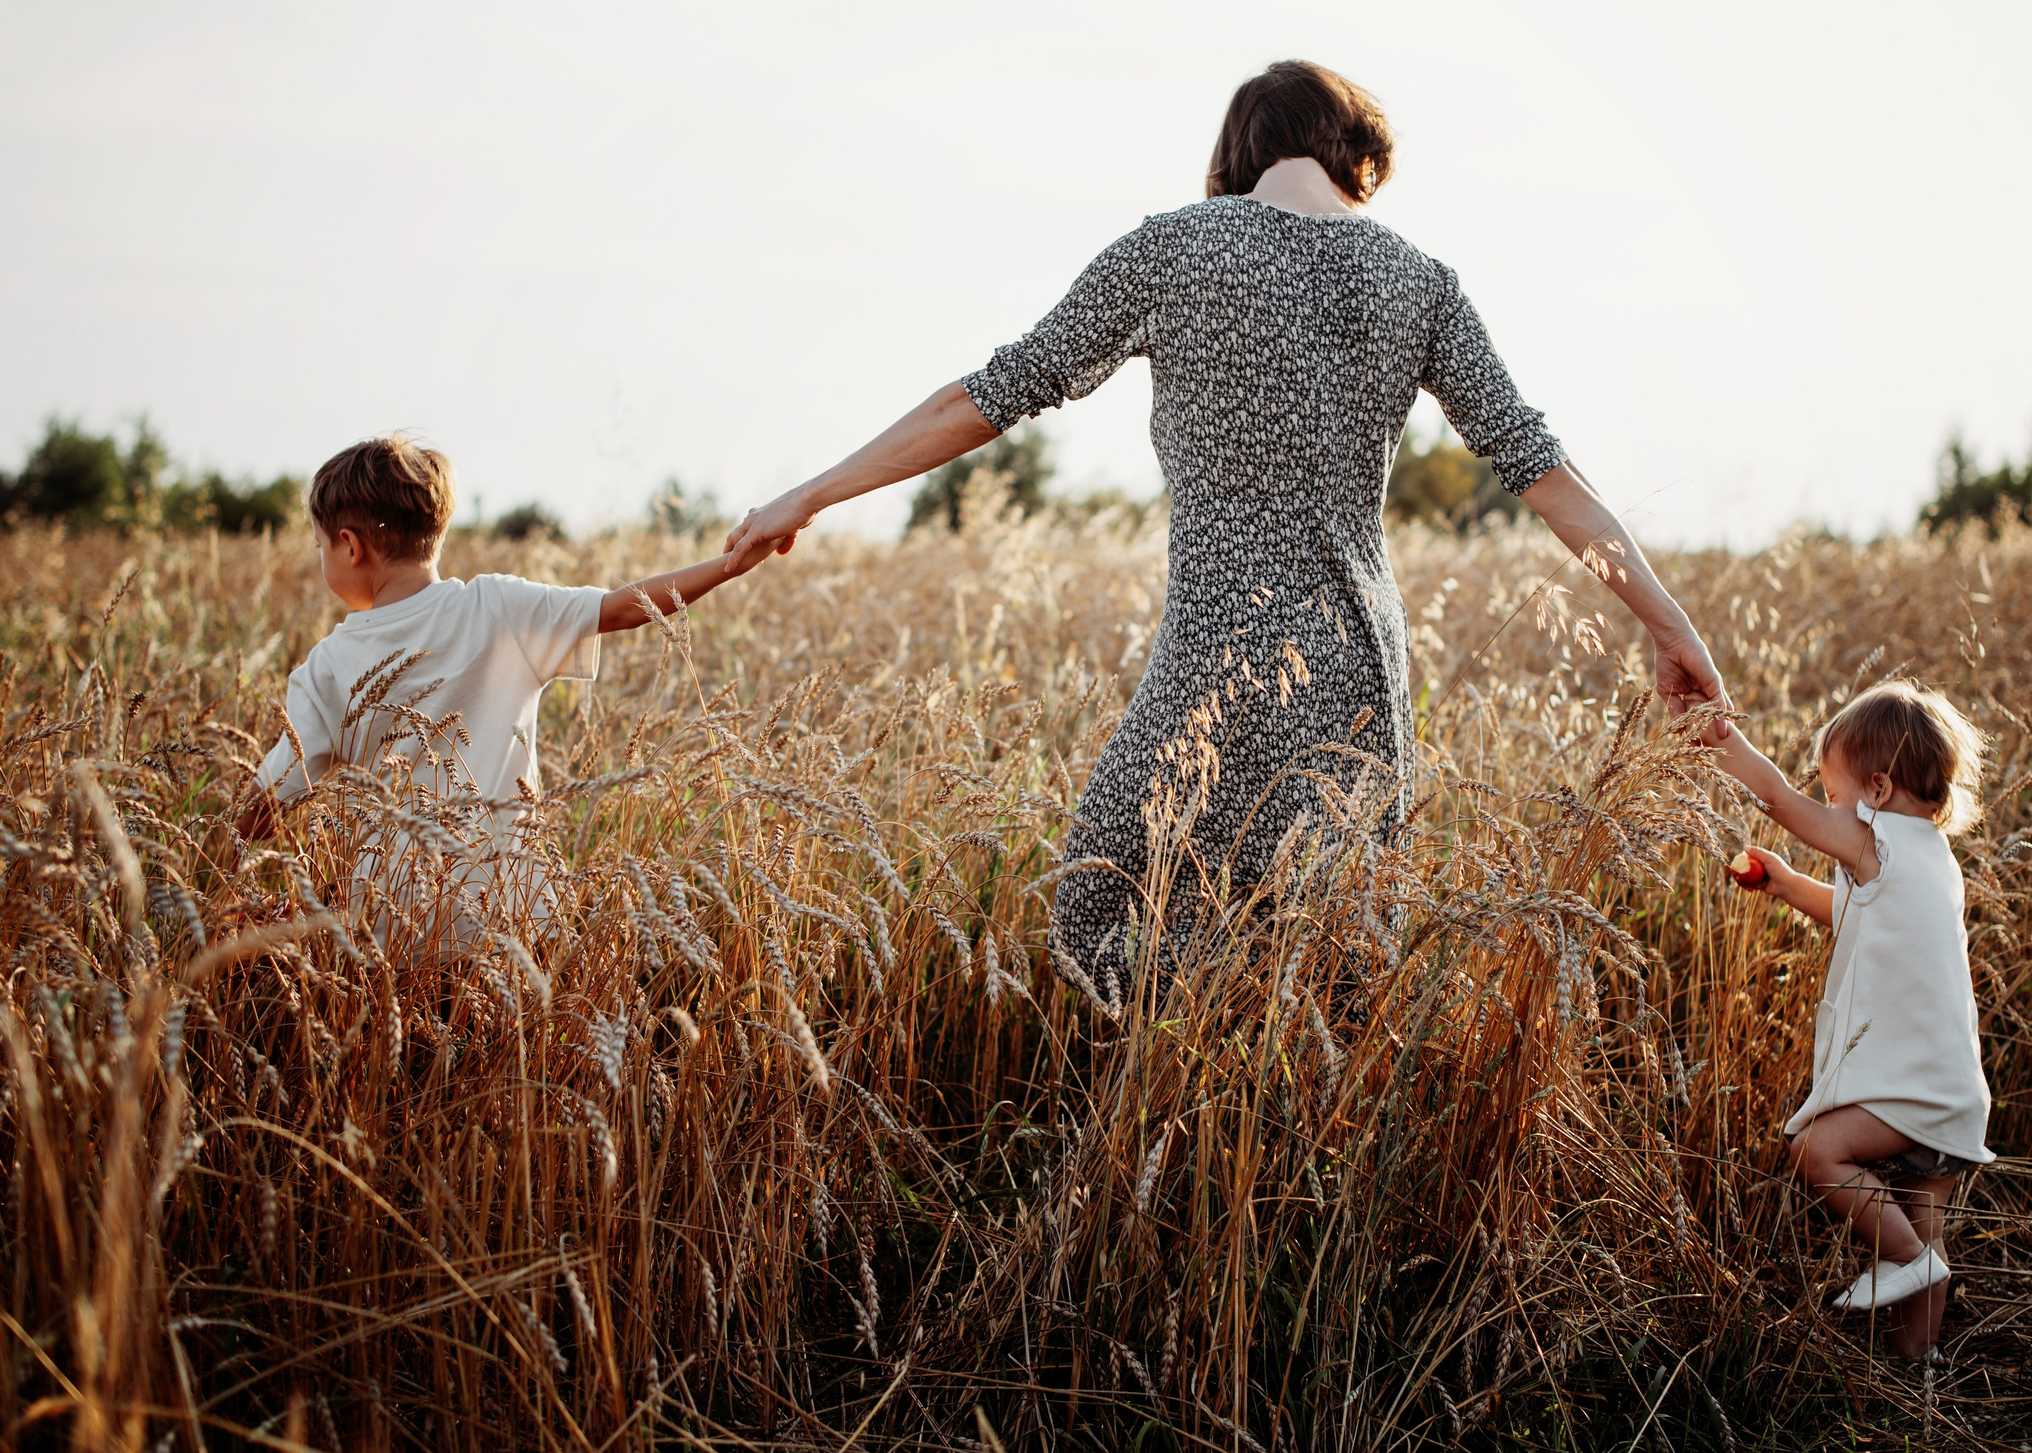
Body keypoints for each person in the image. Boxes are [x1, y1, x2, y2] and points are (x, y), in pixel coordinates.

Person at [721, 59, 1726, 996]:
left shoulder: (1170, 247)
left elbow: (988, 394)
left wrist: (809, 493)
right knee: (1324, 971)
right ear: (1354, 153)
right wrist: (1666, 620)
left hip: (1215, 656)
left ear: (1241, 154)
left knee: (1103, 917)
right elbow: (1541, 471)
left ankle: (1157, 1158)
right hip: (1356, 674)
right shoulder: (1418, 280)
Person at [236, 435, 765, 941]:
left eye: (320, 545)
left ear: (349, 547)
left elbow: (266, 805)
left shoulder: (325, 666)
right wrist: (729, 565)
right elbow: (625, 607)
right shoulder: (498, 608)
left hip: (389, 925)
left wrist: (242, 873)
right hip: (514, 912)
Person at [1710, 680, 1995, 1360]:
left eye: (1834, 795)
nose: (1831, 811)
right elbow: (1860, 917)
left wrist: (1723, 737)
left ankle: (1903, 1262)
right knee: (1928, 1229)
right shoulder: (1933, 858)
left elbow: (1779, 798)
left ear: (1877, 786)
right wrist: (1785, 884)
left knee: (1817, 1148)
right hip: (1955, 1090)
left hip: (1915, 1084)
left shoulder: (1877, 836)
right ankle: (1916, 1363)